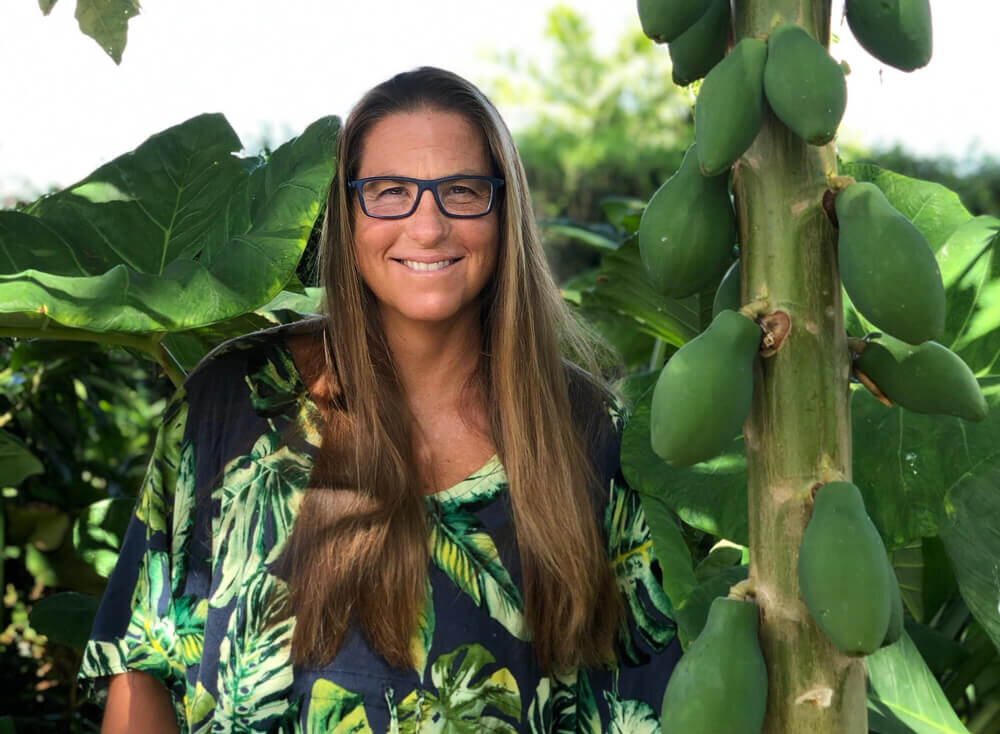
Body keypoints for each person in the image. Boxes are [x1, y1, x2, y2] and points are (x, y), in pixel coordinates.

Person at [79, 66, 681, 733]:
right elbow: (142, 673)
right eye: (391, 192)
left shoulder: (590, 432)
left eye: (461, 190)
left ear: (503, 210)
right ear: (349, 211)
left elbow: (640, 702)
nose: (428, 227)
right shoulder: (235, 401)